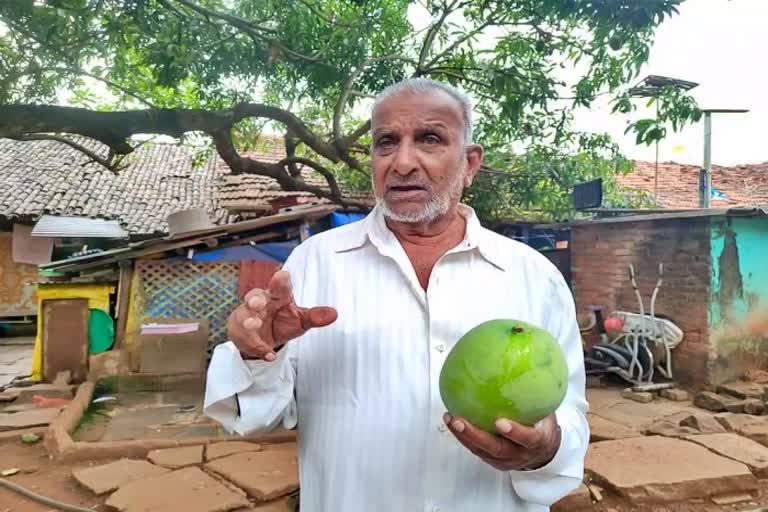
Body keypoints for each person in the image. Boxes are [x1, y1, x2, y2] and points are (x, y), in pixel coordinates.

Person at [204, 78, 589, 511]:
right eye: (386, 142)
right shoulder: (315, 263)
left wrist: (546, 446)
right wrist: (259, 352)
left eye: (429, 139)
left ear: (470, 163)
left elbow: (570, 412)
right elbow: (259, 417)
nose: (403, 162)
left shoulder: (534, 276)